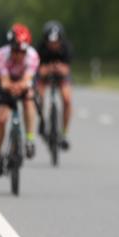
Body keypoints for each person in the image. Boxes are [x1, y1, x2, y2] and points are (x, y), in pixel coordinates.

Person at [0, 23, 39, 175]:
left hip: (23, 83)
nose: (18, 55)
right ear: (10, 48)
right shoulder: (1, 55)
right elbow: (4, 81)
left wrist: (21, 86)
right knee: (1, 118)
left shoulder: (32, 56)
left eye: (22, 51)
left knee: (29, 101)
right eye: (15, 51)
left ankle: (30, 139)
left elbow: (28, 78)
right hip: (6, 84)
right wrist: (11, 86)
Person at [35, 20, 74, 150]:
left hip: (61, 76)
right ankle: (42, 120)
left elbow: (66, 69)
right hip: (44, 76)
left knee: (67, 99)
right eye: (50, 42)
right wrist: (47, 69)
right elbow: (38, 69)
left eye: (56, 42)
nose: (53, 45)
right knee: (39, 96)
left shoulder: (66, 48)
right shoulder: (40, 49)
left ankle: (64, 133)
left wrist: (56, 68)